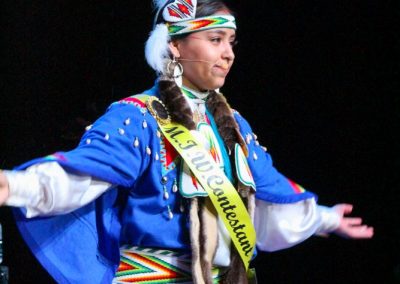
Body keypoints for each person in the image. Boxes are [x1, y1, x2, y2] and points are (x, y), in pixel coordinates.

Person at [0, 0, 373, 283]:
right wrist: (12, 185)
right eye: (215, 40)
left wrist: (325, 219)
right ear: (174, 46)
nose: (228, 53)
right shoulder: (137, 116)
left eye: (230, 41)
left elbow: (267, 202)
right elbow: (81, 176)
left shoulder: (234, 125)